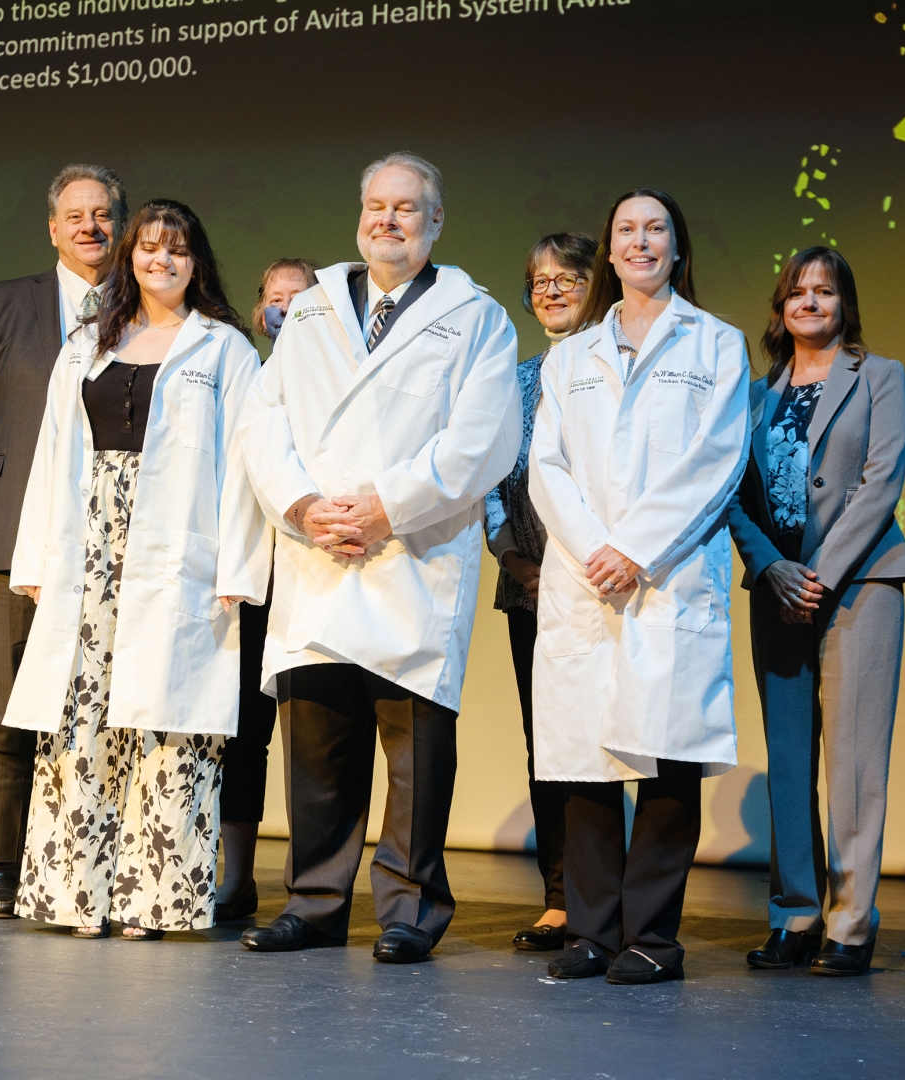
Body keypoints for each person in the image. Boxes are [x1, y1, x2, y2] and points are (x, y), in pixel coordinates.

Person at [236, 152, 520, 964]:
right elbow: (263, 420)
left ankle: (410, 909)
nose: (387, 220)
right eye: (375, 206)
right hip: (321, 550)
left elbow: (483, 439)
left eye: (405, 208)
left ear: (436, 222)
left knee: (413, 748)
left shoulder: (477, 318)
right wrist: (304, 506)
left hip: (411, 554)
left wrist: (386, 506)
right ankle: (316, 902)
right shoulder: (313, 309)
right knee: (318, 743)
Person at [2, 199, 271, 939]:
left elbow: (243, 468)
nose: (162, 260)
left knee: (166, 728)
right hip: (89, 553)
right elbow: (53, 451)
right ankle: (77, 897)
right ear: (130, 258)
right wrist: (37, 556)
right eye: (149, 247)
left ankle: (152, 900)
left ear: (196, 262)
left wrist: (238, 567)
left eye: (177, 249)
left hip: (178, 557)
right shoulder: (88, 343)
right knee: (81, 719)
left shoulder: (225, 349)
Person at [528, 189, 750, 985]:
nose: (641, 241)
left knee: (667, 756)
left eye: (656, 229)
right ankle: (592, 932)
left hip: (669, 576)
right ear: (611, 251)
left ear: (676, 247)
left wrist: (636, 550)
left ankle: (652, 936)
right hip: (586, 578)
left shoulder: (716, 344)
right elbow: (546, 467)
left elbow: (716, 459)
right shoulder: (569, 358)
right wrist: (598, 550)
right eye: (627, 229)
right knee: (586, 760)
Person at [0, 164, 126, 919]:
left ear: (121, 224)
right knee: (1, 706)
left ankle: (88, 863)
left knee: (103, 710)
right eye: (75, 216)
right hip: (12, 538)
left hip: (114, 546)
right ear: (52, 229)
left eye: (102, 214)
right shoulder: (1, 305)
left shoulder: (151, 307)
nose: (89, 227)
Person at [726, 247, 905, 976]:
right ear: (781, 308)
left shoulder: (880, 377)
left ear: (844, 304)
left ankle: (851, 924)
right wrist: (769, 566)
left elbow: (880, 482)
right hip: (777, 590)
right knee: (787, 761)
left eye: (825, 291)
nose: (810, 302)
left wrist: (820, 576)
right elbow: (729, 495)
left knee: (855, 764)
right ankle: (795, 916)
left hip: (859, 586)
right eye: (797, 292)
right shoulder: (753, 395)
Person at [484, 232, 596, 951]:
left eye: (568, 278)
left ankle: (607, 892)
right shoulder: (515, 381)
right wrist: (511, 555)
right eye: (540, 281)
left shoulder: (611, 372)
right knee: (547, 743)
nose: (551, 290)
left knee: (607, 741)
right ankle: (560, 897)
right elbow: (491, 480)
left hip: (602, 587)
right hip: (530, 589)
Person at [217, 256, 320, 922]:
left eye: (298, 296)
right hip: (254, 582)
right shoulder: (242, 377)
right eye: (274, 298)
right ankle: (236, 877)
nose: (284, 307)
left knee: (312, 736)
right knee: (243, 734)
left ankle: (311, 883)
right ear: (260, 312)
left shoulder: (338, 382)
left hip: (316, 578)